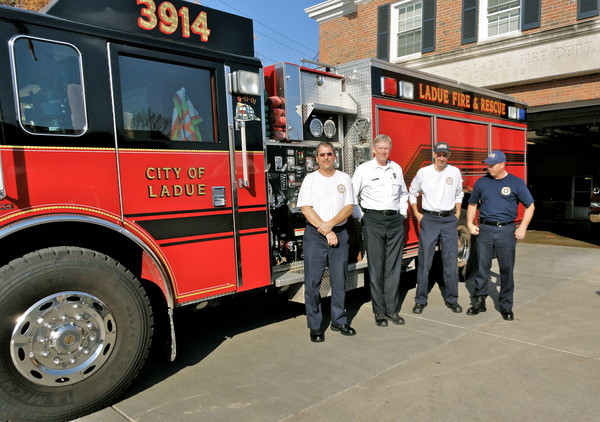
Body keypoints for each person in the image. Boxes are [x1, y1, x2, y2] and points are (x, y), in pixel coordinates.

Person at [298, 142, 356, 342]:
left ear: (335, 156)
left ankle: (338, 321)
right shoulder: (310, 180)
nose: (326, 157)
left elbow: (348, 207)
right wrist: (326, 230)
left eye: (329, 154)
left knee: (339, 280)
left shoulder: (344, 178)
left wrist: (330, 225)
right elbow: (306, 208)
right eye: (322, 155)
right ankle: (315, 326)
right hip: (315, 236)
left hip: (339, 233)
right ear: (316, 158)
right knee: (312, 282)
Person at [466, 150, 535, 321]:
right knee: (482, 267)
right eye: (487, 164)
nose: (488, 167)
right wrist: (470, 223)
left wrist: (523, 227)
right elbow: (472, 204)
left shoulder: (516, 183)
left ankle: (506, 305)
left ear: (502, 165)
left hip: (506, 231)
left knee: (506, 269)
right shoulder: (482, 182)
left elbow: (530, 206)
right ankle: (479, 301)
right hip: (485, 230)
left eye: (491, 165)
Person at [352, 134, 408, 327]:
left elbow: (403, 194)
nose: (384, 151)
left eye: (387, 148)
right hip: (373, 221)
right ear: (374, 150)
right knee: (376, 268)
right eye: (381, 148)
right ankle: (380, 312)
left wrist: (402, 213)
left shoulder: (396, 168)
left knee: (394, 267)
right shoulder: (363, 170)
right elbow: (352, 197)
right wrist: (362, 217)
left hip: (395, 221)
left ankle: (392, 310)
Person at [409, 142, 464, 315]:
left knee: (451, 262)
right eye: (439, 154)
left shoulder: (454, 172)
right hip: (430, 220)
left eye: (444, 155)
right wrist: (417, 214)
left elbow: (459, 193)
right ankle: (420, 300)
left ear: (448, 155)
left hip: (448, 220)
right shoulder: (423, 172)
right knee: (425, 262)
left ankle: (452, 299)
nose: (441, 158)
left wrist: (457, 213)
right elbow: (412, 192)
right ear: (433, 155)